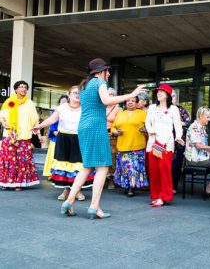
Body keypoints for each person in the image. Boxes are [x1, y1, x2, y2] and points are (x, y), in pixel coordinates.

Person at [60, 58, 146, 219]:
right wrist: (132, 94)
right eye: (107, 71)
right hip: (96, 127)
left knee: (87, 166)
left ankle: (69, 202)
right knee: (103, 166)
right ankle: (94, 207)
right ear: (101, 71)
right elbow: (106, 100)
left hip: (84, 126)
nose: (109, 74)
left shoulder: (84, 85)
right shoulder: (100, 82)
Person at [32, 86, 91, 202]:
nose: (77, 95)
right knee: (65, 165)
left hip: (79, 138)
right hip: (63, 138)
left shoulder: (85, 108)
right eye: (75, 93)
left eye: (80, 93)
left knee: (78, 165)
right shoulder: (62, 108)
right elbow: (51, 120)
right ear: (69, 94)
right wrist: (39, 126)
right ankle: (66, 190)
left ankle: (77, 190)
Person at [145, 84, 184, 207]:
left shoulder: (173, 109)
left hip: (166, 143)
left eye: (162, 92)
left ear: (167, 95)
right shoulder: (152, 108)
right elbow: (147, 122)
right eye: (158, 92)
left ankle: (164, 196)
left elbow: (178, 126)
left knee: (164, 170)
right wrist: (150, 130)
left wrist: (178, 137)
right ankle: (156, 195)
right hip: (153, 142)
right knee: (154, 170)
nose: (159, 93)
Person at [0, 81, 40, 190]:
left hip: (24, 135)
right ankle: (6, 183)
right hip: (9, 135)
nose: (23, 89)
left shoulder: (29, 103)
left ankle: (19, 183)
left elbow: (34, 118)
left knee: (21, 160)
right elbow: (2, 115)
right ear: (16, 89)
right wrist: (3, 123)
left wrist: (37, 130)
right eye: (21, 87)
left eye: (25, 87)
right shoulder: (9, 101)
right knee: (8, 159)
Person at [186, 107, 210, 200]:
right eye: (207, 117)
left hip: (202, 157)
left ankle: (209, 187)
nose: (209, 119)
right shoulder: (194, 128)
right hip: (194, 159)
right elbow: (199, 146)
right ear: (200, 116)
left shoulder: (202, 127)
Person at [112, 96, 149, 196]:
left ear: (137, 103)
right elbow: (113, 128)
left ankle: (131, 188)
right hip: (122, 145)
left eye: (133, 101)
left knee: (134, 168)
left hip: (136, 146)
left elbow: (150, 127)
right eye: (128, 101)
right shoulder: (120, 114)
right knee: (124, 168)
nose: (130, 103)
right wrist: (115, 132)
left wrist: (145, 130)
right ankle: (126, 185)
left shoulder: (143, 114)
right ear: (125, 103)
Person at [42, 95, 69, 178]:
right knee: (54, 156)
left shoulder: (71, 111)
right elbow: (52, 123)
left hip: (68, 137)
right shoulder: (55, 111)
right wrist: (54, 131)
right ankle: (52, 174)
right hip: (56, 137)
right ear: (59, 102)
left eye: (65, 101)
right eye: (62, 101)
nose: (64, 102)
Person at [171, 89, 191, 193]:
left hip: (179, 141)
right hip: (165, 140)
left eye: (173, 96)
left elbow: (188, 122)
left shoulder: (181, 109)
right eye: (170, 96)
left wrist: (178, 123)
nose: (172, 98)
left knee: (177, 164)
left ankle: (174, 186)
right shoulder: (162, 109)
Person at [106, 87, 121, 190]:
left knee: (112, 158)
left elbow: (120, 124)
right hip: (100, 134)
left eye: (111, 94)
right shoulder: (101, 106)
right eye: (108, 94)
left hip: (112, 136)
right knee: (100, 157)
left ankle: (112, 179)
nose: (109, 96)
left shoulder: (117, 108)